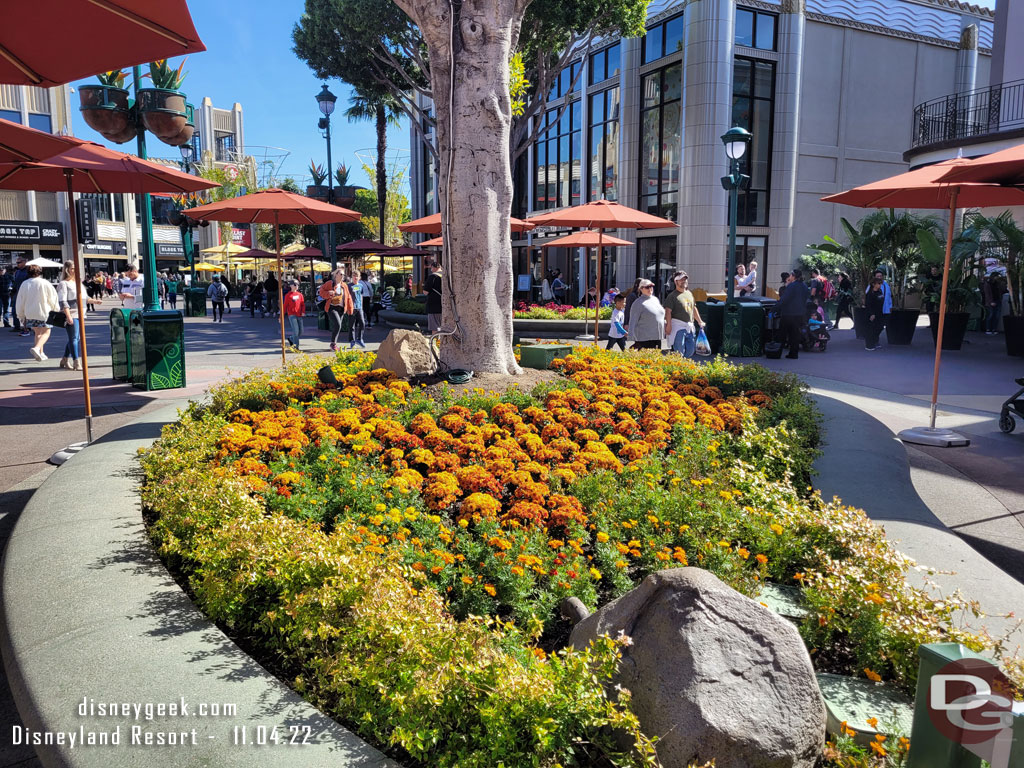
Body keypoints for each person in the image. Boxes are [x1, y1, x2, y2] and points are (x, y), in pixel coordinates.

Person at [15, 265, 59, 361]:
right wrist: (56, 308)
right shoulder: (45, 283)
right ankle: (37, 348)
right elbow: (52, 297)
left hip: (30, 312)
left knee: (37, 332)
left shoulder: (24, 284)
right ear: (40, 272)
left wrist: (20, 315)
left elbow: (20, 300)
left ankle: (40, 353)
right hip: (44, 312)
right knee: (47, 332)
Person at [663, 271, 704, 358]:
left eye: (685, 279)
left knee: (690, 350)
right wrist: (668, 326)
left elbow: (693, 309)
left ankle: (683, 365)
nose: (684, 281)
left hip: (689, 326)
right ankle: (678, 367)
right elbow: (668, 312)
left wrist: (700, 321)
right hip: (678, 327)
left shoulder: (689, 294)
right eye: (681, 279)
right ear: (676, 281)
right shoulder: (672, 296)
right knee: (679, 351)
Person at [776, 269, 809, 359]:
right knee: (795, 335)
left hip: (788, 313)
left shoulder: (791, 286)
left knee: (782, 334)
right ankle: (794, 354)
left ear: (793, 276)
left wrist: (776, 308)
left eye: (791, 275)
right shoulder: (804, 286)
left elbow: (785, 299)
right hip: (800, 314)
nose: (789, 276)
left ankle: (777, 352)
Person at [319, 268, 353, 352]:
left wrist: (350, 309)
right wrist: (328, 294)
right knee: (338, 325)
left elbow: (348, 297)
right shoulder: (330, 283)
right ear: (336, 275)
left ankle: (334, 343)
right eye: (340, 274)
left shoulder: (344, 285)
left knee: (338, 327)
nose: (342, 276)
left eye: (343, 275)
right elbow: (321, 291)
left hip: (341, 308)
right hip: (332, 307)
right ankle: (333, 344)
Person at [56, 260, 82, 370]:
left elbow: (83, 297)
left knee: (76, 338)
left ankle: (65, 359)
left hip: (80, 313)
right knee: (74, 338)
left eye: (75, 268)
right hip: (71, 313)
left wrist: (94, 301)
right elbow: (63, 301)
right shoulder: (63, 283)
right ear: (67, 270)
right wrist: (68, 315)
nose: (74, 271)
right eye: (72, 268)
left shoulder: (77, 282)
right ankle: (76, 361)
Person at [627, 279, 665, 350]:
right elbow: (633, 320)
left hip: (657, 337)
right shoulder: (638, 303)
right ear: (641, 289)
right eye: (647, 287)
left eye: (651, 286)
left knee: (656, 359)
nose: (650, 289)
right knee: (646, 359)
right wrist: (631, 336)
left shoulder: (655, 299)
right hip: (645, 338)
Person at [283, 280, 305, 351]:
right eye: (295, 285)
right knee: (296, 331)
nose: (296, 286)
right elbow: (285, 306)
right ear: (291, 286)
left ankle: (291, 338)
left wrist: (303, 312)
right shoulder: (288, 295)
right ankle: (296, 347)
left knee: (301, 331)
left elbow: (302, 304)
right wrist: (281, 316)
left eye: (298, 285)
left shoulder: (300, 295)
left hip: (299, 314)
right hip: (292, 315)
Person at [864, 277, 885, 351]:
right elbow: (868, 305)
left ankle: (875, 341)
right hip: (872, 313)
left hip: (880, 313)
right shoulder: (870, 294)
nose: (880, 285)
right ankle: (869, 345)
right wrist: (872, 314)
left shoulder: (880, 291)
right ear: (873, 284)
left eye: (880, 283)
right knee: (871, 329)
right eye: (878, 283)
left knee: (880, 327)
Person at [11, 256, 29, 334]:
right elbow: (15, 282)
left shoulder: (28, 271)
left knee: (26, 310)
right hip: (16, 293)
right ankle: (16, 326)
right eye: (17, 262)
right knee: (15, 310)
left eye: (19, 262)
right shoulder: (17, 272)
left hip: (26, 293)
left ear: (24, 262)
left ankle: (27, 327)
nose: (17, 264)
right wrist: (12, 290)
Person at [425, 259, 443, 333]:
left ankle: (436, 344)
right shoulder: (445, 276)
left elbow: (425, 292)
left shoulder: (432, 277)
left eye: (431, 268)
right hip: (446, 305)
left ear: (434, 267)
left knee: (435, 327)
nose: (431, 270)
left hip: (434, 305)